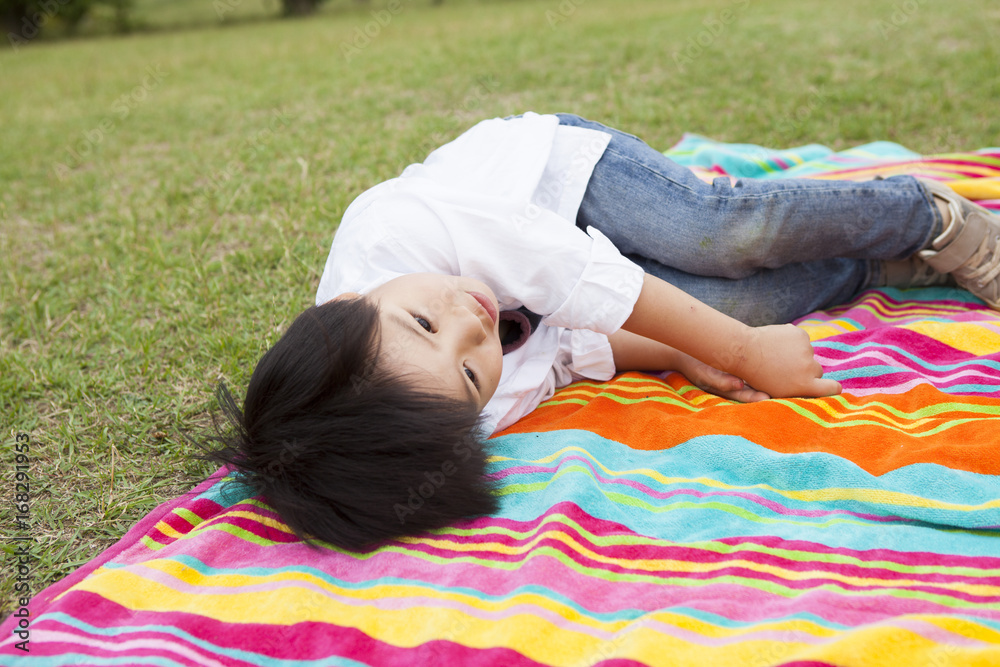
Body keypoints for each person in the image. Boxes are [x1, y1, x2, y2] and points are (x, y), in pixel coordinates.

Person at [208, 112, 1000, 551]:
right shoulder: (443, 411)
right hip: (572, 285)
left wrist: (742, 351)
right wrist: (692, 351)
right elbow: (570, 347)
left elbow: (572, 276)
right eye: (473, 372)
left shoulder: (388, 232)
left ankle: (926, 214)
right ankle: (897, 264)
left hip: (561, 181)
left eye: (423, 321)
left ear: (336, 311)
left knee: (713, 237)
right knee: (744, 306)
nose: (469, 326)